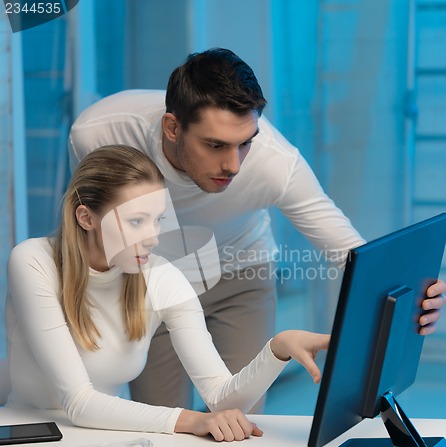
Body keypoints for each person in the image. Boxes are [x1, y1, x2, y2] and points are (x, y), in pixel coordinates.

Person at [68, 48, 446, 412]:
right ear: (172, 127)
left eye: (244, 143)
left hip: (241, 273)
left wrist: (411, 300)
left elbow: (347, 252)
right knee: (164, 422)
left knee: (242, 419)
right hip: (154, 281)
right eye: (214, 144)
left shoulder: (274, 164)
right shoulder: (99, 134)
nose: (232, 165)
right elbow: (95, 228)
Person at [6, 145, 330, 441]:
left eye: (158, 220)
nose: (153, 238)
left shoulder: (161, 277)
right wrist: (192, 421)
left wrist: (277, 350)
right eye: (136, 222)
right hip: (29, 440)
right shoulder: (34, 262)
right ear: (86, 217)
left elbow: (220, 397)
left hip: (103, 438)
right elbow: (79, 402)